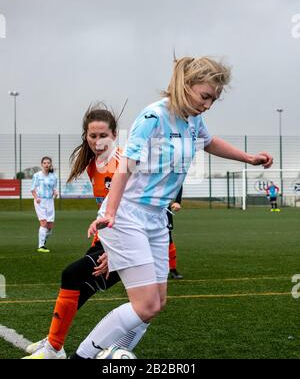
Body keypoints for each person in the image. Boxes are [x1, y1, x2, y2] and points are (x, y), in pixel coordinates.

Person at [70, 55, 273, 359]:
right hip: (128, 215)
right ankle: (85, 357)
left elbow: (209, 141)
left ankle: (111, 355)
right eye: (205, 96)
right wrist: (110, 211)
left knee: (155, 305)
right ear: (185, 85)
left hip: (157, 218)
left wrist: (248, 158)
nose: (208, 105)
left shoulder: (193, 119)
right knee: (146, 304)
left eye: (214, 99)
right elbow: (126, 165)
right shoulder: (154, 117)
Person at [23, 104, 148, 359]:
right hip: (107, 239)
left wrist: (115, 252)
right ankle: (55, 343)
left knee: (76, 277)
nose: (98, 141)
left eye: (104, 136)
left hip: (130, 241)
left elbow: (143, 210)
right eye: (93, 136)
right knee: (81, 288)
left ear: (115, 135)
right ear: (86, 136)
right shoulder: (92, 163)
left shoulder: (126, 164)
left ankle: (58, 349)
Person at [31, 157, 58, 253]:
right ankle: (41, 246)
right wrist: (36, 197)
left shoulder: (53, 177)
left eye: (48, 163)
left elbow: (54, 188)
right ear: (41, 164)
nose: (46, 164)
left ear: (50, 164)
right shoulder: (37, 176)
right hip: (40, 201)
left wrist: (55, 192)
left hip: (50, 201)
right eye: (44, 163)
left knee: (50, 227)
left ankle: (44, 238)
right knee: (44, 223)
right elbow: (32, 189)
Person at [168, 186, 183, 280]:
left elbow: (179, 182)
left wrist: (177, 201)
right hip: (138, 209)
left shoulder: (167, 171)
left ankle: (173, 269)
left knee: (168, 239)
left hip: (162, 209)